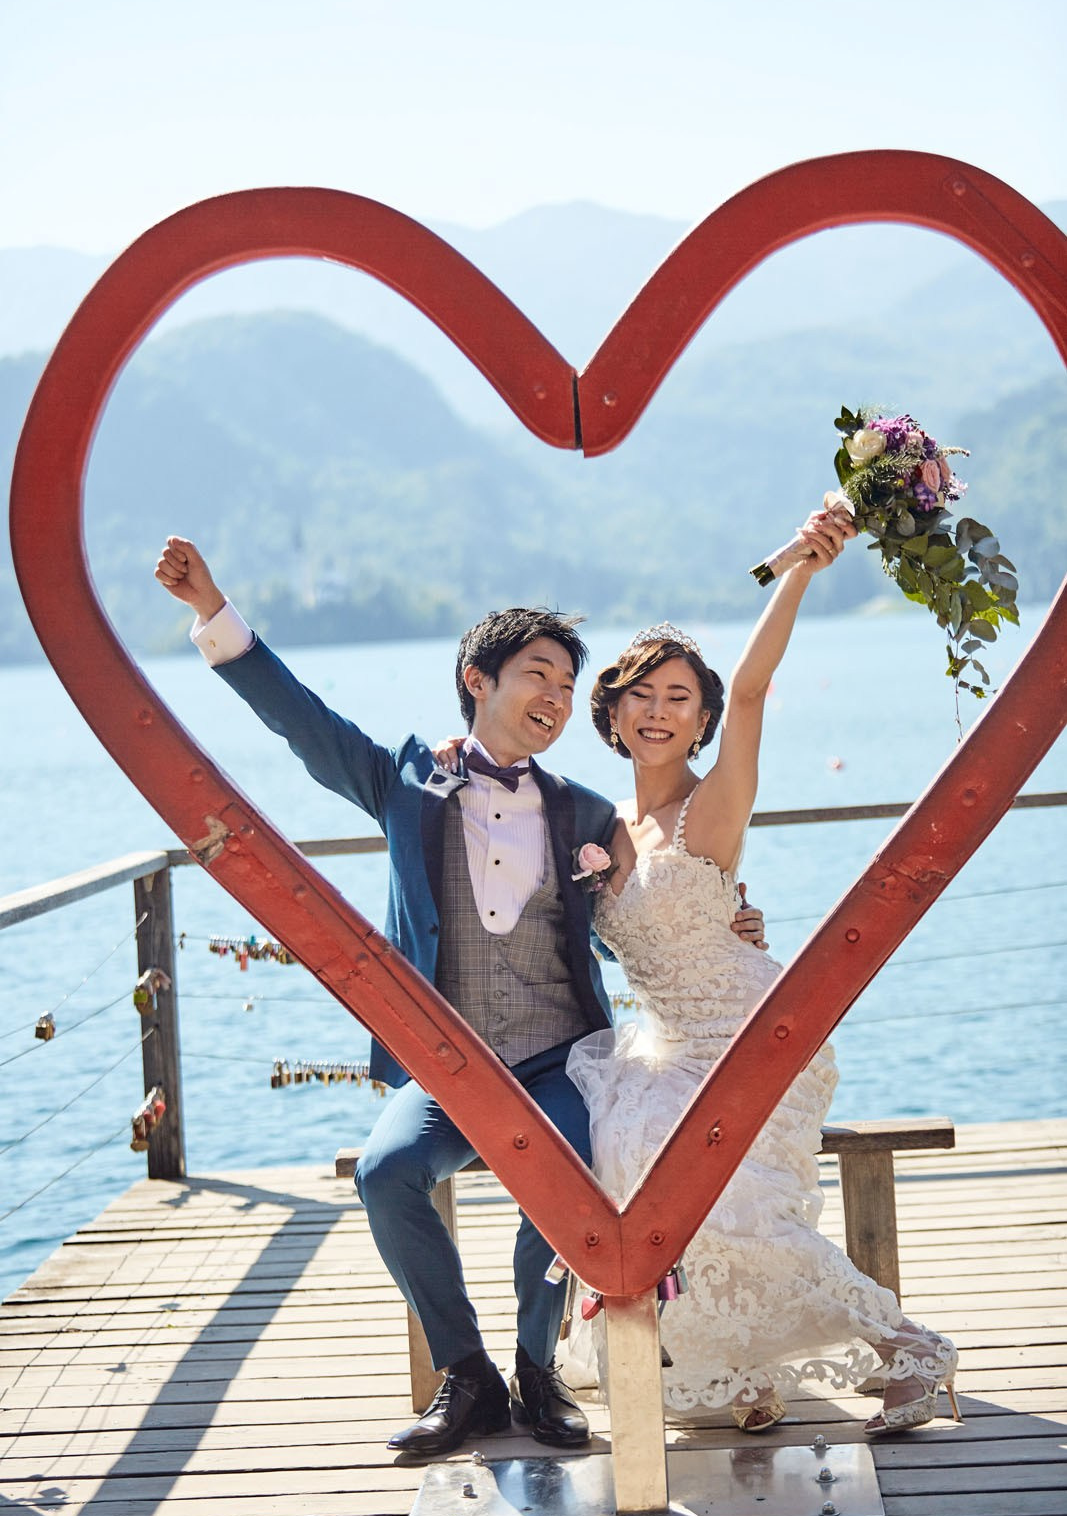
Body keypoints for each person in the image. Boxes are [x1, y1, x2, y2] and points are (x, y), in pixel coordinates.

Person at [154, 536, 766, 1459]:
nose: (557, 697)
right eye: (538, 674)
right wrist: (213, 612)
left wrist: (733, 923)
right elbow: (301, 719)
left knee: (568, 1169)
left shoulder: (587, 815)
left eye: (568, 681)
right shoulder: (404, 777)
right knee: (384, 1174)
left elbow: (634, 925)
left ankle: (537, 1368)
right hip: (446, 1065)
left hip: (559, 1055)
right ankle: (466, 1374)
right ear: (477, 679)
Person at [562, 509, 961, 1436]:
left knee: (724, 1202)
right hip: (664, 1047)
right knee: (627, 1166)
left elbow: (751, 689)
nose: (657, 710)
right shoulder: (599, 827)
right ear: (612, 711)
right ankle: (735, 1373)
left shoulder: (713, 809)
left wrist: (800, 571)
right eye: (639, 694)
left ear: (699, 720)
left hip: (752, 1036)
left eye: (676, 698)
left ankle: (910, 1348)